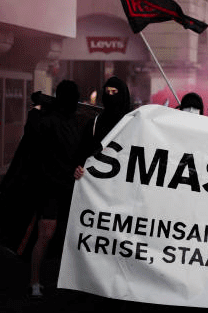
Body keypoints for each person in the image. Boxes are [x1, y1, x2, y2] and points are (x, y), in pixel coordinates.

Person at [28, 80, 84, 298]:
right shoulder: (48, 121)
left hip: (67, 185)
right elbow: (35, 142)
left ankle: (54, 280)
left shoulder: (73, 122)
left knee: (62, 235)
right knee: (46, 234)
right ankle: (34, 281)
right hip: (50, 186)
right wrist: (36, 110)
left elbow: (78, 151)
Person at [78, 76, 132, 162]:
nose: (110, 96)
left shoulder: (131, 123)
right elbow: (84, 151)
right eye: (107, 92)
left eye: (114, 92)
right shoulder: (94, 124)